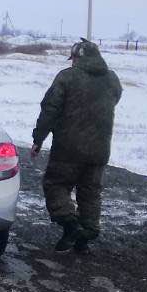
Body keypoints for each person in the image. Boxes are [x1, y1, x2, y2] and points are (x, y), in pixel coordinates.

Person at [31, 38, 123, 252]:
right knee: (90, 192)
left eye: (72, 58)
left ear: (77, 58)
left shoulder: (66, 77)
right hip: (99, 150)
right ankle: (86, 235)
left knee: (56, 185)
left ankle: (70, 225)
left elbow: (49, 110)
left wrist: (38, 139)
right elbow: (115, 98)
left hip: (67, 148)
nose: (71, 62)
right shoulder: (111, 79)